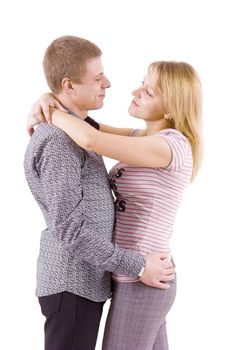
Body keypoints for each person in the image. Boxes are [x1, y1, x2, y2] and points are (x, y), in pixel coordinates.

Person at [28, 58, 203, 350]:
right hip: (135, 275)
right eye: (142, 84)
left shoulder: (168, 146)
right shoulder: (145, 137)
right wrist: (49, 101)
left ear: (172, 108)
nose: (135, 91)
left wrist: (52, 113)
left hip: (143, 277)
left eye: (148, 92)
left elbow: (91, 139)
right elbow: (88, 126)